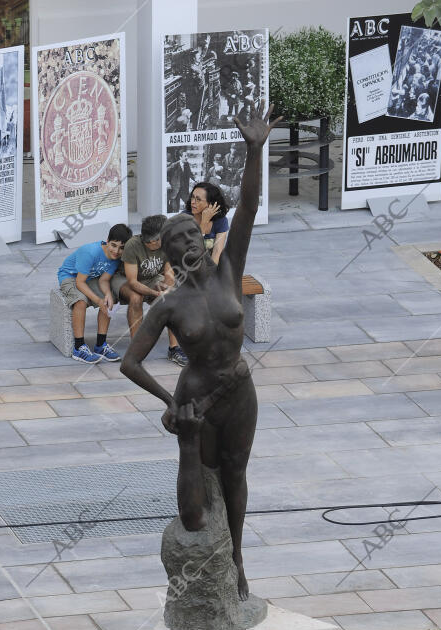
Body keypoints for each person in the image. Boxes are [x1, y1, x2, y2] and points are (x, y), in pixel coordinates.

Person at [121, 103, 281, 603]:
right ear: (168, 257)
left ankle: (236, 559)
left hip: (240, 392)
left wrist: (255, 150)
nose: (188, 245)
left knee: (237, 474)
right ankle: (211, 564)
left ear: (202, 236)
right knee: (206, 483)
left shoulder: (230, 269)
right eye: (177, 245)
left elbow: (249, 207)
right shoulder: (170, 305)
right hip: (198, 398)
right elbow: (130, 361)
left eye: (192, 235)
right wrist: (170, 401)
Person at [112, 215, 188, 366]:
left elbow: (169, 274)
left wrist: (166, 289)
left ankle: (174, 349)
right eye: (147, 242)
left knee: (171, 299)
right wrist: (154, 293)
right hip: (125, 279)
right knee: (136, 298)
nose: (150, 244)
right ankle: (136, 349)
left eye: (153, 242)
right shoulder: (133, 245)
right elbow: (133, 281)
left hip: (152, 277)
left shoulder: (169, 243)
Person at [57, 224, 132, 363]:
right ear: (107, 240)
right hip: (70, 276)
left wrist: (108, 294)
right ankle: (79, 347)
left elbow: (104, 280)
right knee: (80, 301)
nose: (116, 251)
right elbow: (80, 282)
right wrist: (97, 300)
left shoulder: (115, 258)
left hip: (90, 278)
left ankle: (100, 345)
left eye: (121, 248)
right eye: (114, 245)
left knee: (110, 300)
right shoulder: (90, 252)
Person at [185, 182, 229, 265]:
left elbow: (217, 252)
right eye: (193, 197)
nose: (193, 202)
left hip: (209, 267)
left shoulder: (221, 221)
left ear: (211, 204)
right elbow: (193, 250)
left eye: (198, 199)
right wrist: (204, 222)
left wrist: (211, 274)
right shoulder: (184, 218)